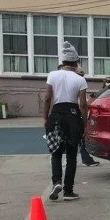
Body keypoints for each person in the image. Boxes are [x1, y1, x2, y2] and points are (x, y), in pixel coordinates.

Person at [44, 41, 88, 202]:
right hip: (73, 115)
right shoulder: (80, 79)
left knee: (55, 152)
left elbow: (48, 98)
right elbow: (83, 104)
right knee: (71, 154)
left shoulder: (52, 75)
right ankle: (68, 191)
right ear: (76, 63)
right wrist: (85, 123)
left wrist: (45, 117)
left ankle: (56, 181)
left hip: (56, 114)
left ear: (62, 61)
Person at [75, 65, 100, 166]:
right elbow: (82, 104)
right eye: (81, 74)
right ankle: (86, 159)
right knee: (80, 137)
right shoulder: (78, 83)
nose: (82, 76)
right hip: (77, 114)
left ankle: (86, 158)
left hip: (74, 114)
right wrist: (84, 121)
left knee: (77, 138)